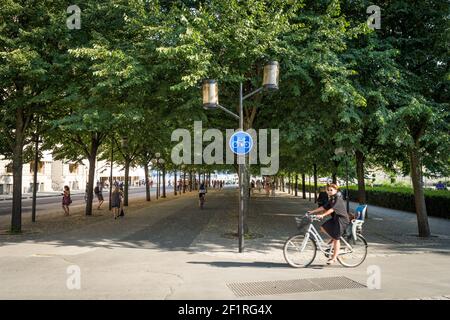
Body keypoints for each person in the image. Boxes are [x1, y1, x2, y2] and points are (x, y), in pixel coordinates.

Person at [307, 184, 349, 265]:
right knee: (323, 228)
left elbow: (332, 209)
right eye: (328, 190)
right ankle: (334, 237)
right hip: (335, 219)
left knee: (336, 239)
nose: (329, 191)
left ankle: (334, 258)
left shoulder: (338, 199)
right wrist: (312, 211)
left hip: (341, 220)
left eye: (331, 190)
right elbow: (323, 207)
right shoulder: (332, 199)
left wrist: (322, 215)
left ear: (336, 191)